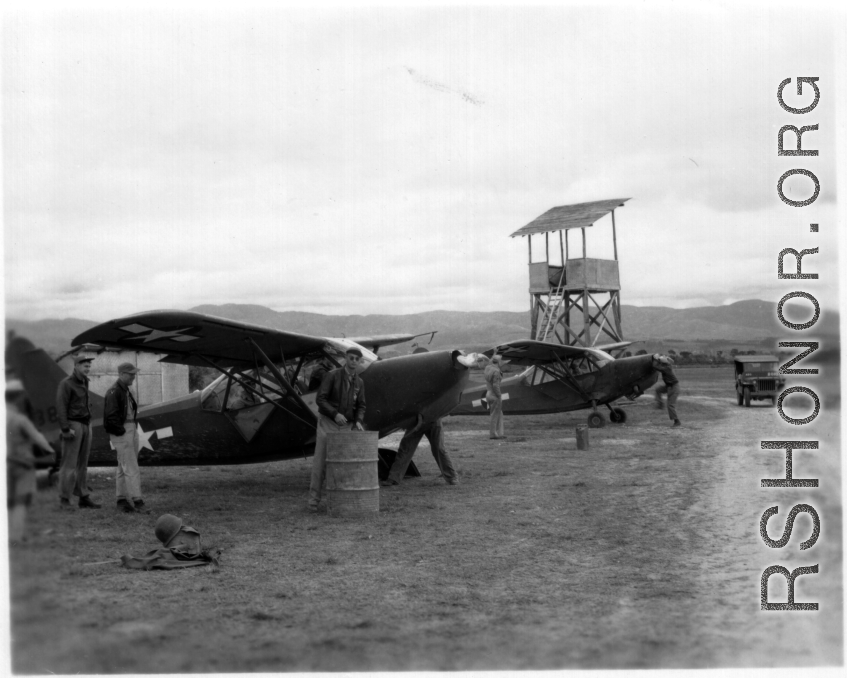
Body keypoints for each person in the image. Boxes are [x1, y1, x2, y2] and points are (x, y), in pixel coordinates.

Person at [307, 347, 367, 512]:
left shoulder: (359, 382)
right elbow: (320, 399)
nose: (353, 361)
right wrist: (334, 414)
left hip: (346, 425)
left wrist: (359, 420)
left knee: (343, 464)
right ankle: (313, 502)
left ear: (360, 361)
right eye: (351, 358)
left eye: (357, 359)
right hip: (328, 423)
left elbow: (361, 405)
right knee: (320, 462)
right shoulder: (332, 375)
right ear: (345, 358)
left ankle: (340, 502)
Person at [6, 379, 55, 543]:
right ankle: (15, 536)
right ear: (18, 397)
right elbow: (37, 438)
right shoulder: (20, 419)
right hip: (22, 463)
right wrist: (49, 450)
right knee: (21, 501)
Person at [56, 354, 101, 509]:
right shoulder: (66, 384)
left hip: (86, 424)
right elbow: (61, 407)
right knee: (69, 465)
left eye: (89, 366)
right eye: (85, 365)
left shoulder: (85, 382)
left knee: (83, 463)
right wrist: (66, 429)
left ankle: (83, 497)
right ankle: (64, 499)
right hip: (73, 425)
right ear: (76, 366)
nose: (88, 368)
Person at [104, 362, 145, 513]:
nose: (133, 376)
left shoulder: (123, 390)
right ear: (121, 374)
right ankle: (138, 501)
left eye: (134, 373)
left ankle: (121, 500)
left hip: (129, 428)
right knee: (131, 467)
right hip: (123, 431)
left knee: (123, 467)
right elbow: (110, 417)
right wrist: (121, 432)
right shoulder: (115, 391)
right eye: (130, 374)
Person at [381, 417, 458, 486]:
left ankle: (452, 477)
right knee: (405, 450)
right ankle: (394, 478)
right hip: (417, 421)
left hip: (431, 419)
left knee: (438, 449)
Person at [653, 354, 681, 427]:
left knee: (670, 405)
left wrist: (655, 359)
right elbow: (659, 366)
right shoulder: (667, 366)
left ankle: (677, 421)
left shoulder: (666, 368)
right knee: (658, 390)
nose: (660, 364)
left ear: (663, 363)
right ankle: (660, 404)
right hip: (669, 386)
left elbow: (655, 367)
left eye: (661, 362)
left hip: (673, 387)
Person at [484, 354, 506, 439]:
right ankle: (493, 434)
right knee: (495, 415)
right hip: (494, 394)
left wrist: (494, 353)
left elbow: (490, 362)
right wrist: (499, 396)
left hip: (488, 393)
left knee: (496, 414)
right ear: (499, 362)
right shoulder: (496, 371)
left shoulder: (487, 368)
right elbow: (495, 386)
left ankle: (498, 433)